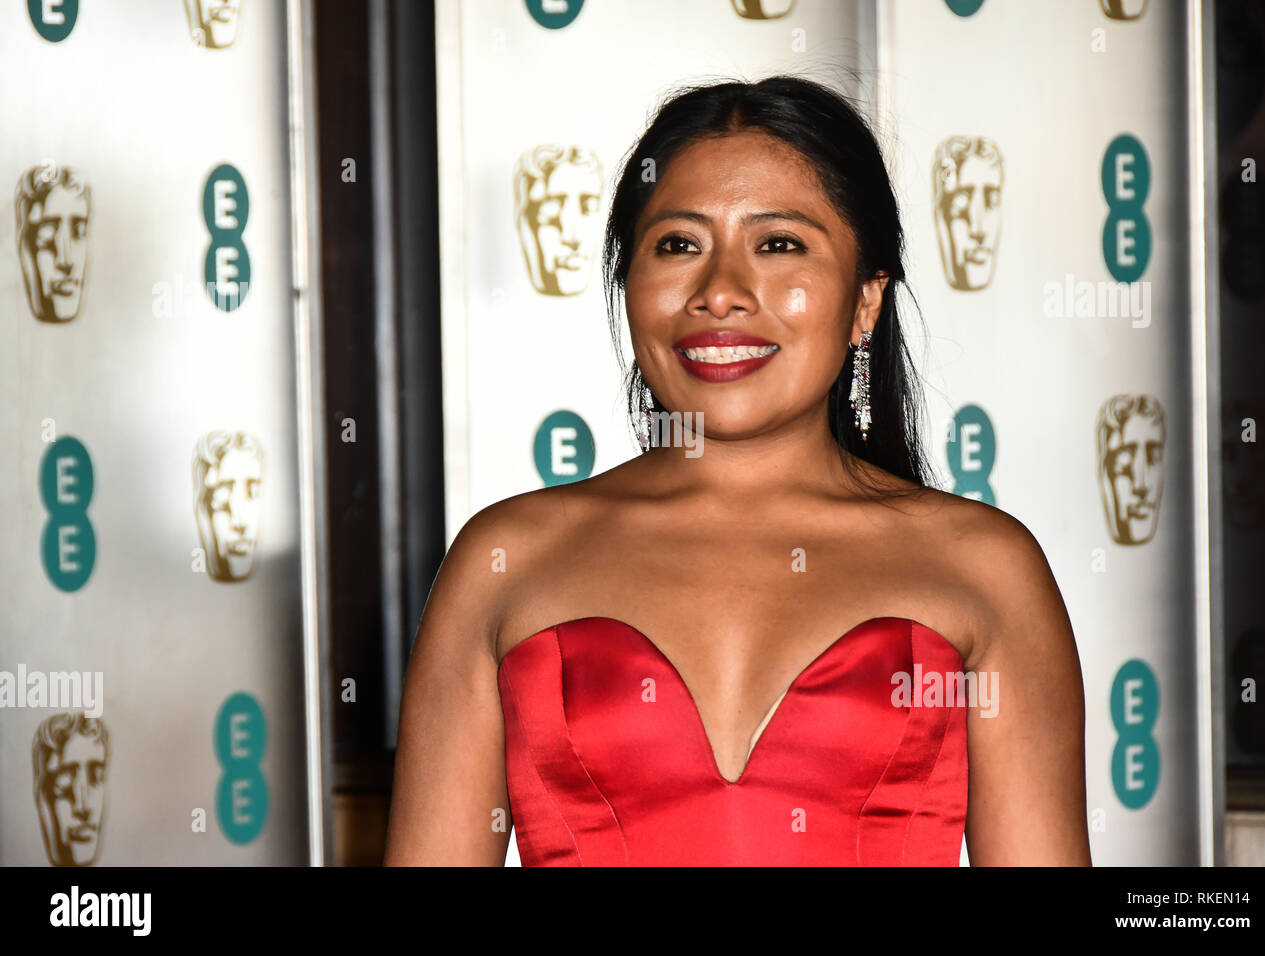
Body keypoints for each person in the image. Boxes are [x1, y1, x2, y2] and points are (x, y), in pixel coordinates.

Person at [385, 75, 1090, 866]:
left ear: (866, 299)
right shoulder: (503, 558)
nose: (719, 293)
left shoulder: (986, 566)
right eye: (678, 246)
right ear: (628, 287)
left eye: (779, 244)